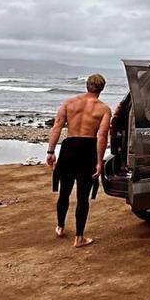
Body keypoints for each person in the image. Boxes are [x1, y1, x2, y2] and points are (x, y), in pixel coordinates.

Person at [46, 74, 111, 248]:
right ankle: (79, 237)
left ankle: (60, 226)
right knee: (83, 196)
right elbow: (102, 136)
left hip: (69, 148)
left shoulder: (69, 103)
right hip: (88, 150)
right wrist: (99, 161)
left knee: (64, 192)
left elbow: (57, 125)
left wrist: (50, 151)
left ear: (87, 85)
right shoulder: (103, 109)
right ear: (102, 89)